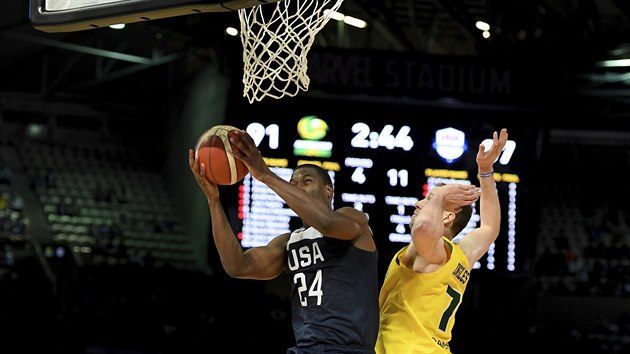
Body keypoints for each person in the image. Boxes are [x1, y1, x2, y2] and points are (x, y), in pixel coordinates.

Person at [188, 129, 379, 354]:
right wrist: (213, 201)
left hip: (347, 350)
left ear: (329, 191)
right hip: (305, 349)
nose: (297, 187)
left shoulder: (352, 218)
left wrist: (265, 175)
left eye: (306, 181)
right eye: (293, 183)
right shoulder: (288, 242)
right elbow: (237, 266)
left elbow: (327, 224)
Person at [375, 128, 508, 354]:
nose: (418, 204)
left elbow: (424, 229)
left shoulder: (431, 252)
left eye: (426, 200)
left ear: (447, 217)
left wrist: (439, 196)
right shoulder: (461, 255)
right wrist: (486, 172)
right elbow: (490, 227)